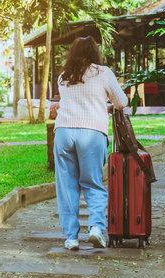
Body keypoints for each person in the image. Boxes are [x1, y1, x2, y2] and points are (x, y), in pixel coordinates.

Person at [53, 36, 128, 250]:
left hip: (64, 132)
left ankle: (71, 238)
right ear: (95, 52)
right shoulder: (103, 73)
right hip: (92, 133)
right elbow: (121, 102)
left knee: (66, 186)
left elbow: (69, 102)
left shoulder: (64, 76)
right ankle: (96, 228)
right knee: (93, 183)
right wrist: (105, 108)